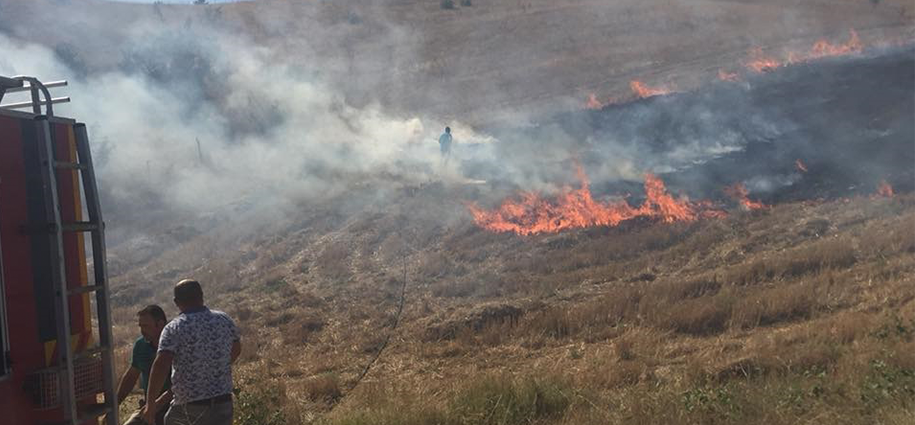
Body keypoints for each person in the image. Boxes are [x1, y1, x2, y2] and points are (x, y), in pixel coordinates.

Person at [145, 279, 242, 425]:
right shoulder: (224, 320)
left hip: (189, 406)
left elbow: (161, 364)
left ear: (176, 302)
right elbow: (236, 347)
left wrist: (150, 405)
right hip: (222, 403)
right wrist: (218, 366)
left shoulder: (174, 328)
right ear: (201, 296)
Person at [114, 305, 172, 425]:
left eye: (146, 326)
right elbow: (131, 376)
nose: (142, 330)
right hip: (149, 407)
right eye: (140, 326)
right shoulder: (141, 345)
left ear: (160, 324)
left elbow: (183, 382)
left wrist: (158, 404)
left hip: (175, 406)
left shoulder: (175, 343)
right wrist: (115, 404)